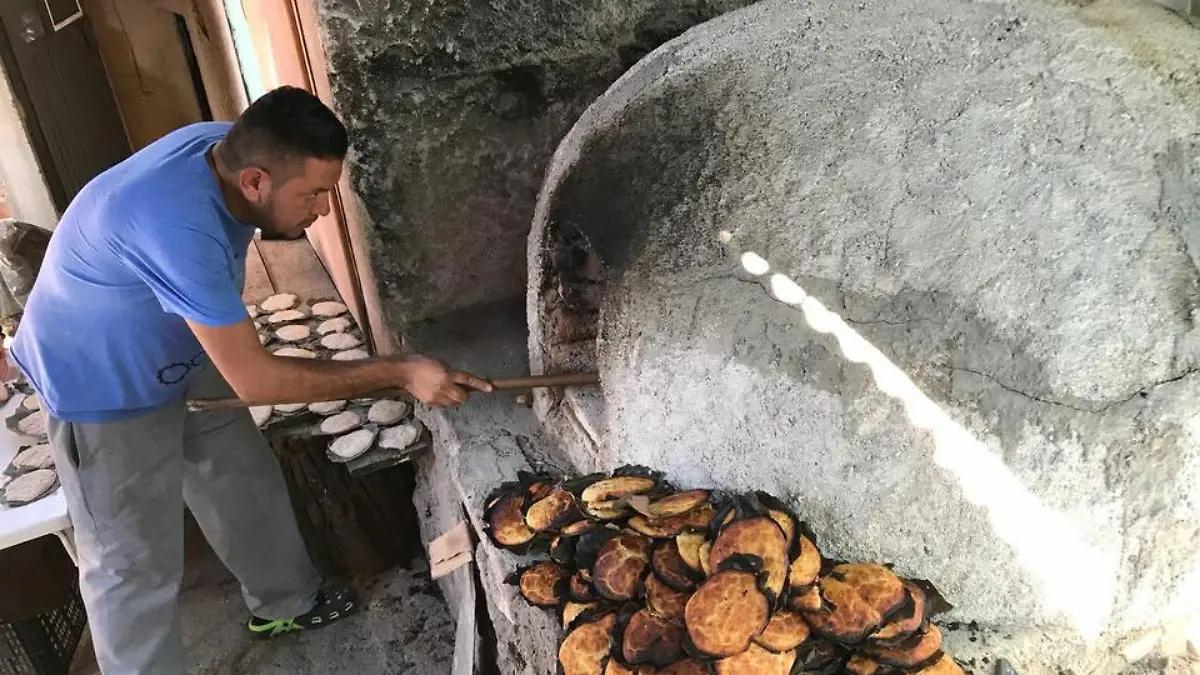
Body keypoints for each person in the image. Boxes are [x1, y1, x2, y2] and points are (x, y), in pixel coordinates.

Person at [5, 85, 492, 675]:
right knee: (132, 564)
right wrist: (398, 371)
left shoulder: (222, 150)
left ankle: (285, 603)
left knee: (237, 472)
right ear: (256, 181)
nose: (322, 209)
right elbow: (259, 380)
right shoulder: (176, 229)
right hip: (98, 379)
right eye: (312, 194)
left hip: (175, 335)